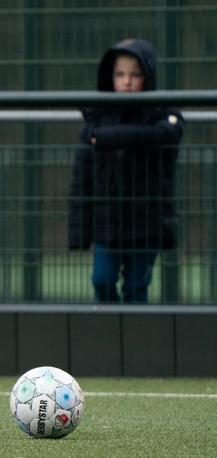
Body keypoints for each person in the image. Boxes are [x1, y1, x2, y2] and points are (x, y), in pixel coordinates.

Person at [68, 39, 184, 303]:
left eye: (135, 74)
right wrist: (79, 233)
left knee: (135, 288)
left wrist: (109, 137)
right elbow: (81, 179)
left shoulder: (162, 114)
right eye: (120, 74)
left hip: (147, 223)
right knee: (102, 280)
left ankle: (135, 341)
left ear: (148, 76)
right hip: (107, 224)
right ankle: (110, 337)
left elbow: (168, 132)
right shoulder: (95, 120)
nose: (127, 81)